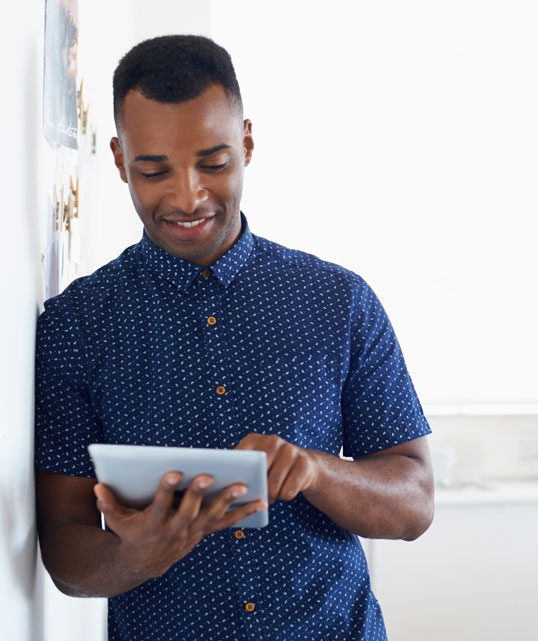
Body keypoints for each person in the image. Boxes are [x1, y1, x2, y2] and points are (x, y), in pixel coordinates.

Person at [34, 34, 434, 641]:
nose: (187, 196)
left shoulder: (339, 300)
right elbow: (63, 545)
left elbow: (415, 503)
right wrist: (133, 556)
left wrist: (317, 471)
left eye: (213, 164)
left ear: (246, 143)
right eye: (153, 170)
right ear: (119, 160)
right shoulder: (76, 326)